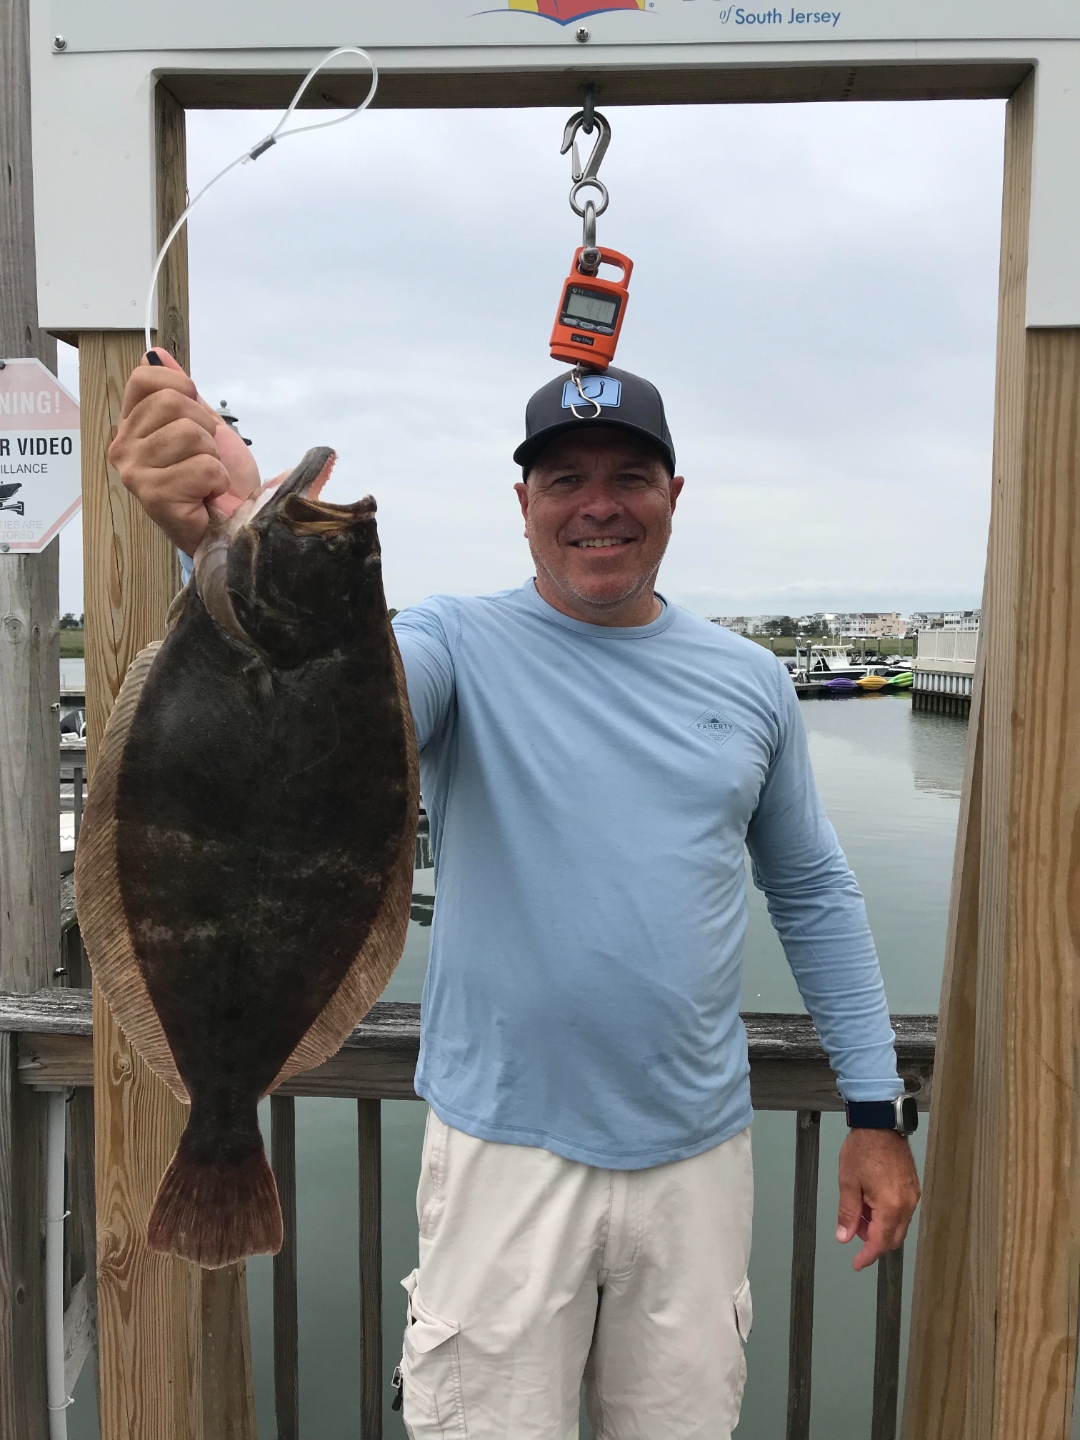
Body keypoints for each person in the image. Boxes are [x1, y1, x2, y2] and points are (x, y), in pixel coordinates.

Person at [110, 351, 921, 1440]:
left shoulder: (752, 681)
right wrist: (224, 535)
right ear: (523, 504)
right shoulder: (454, 646)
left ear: (674, 496)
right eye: (563, 480)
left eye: (628, 476)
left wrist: (874, 1111)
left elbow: (815, 894)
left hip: (697, 1162)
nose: (597, 506)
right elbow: (311, 700)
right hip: (500, 1157)